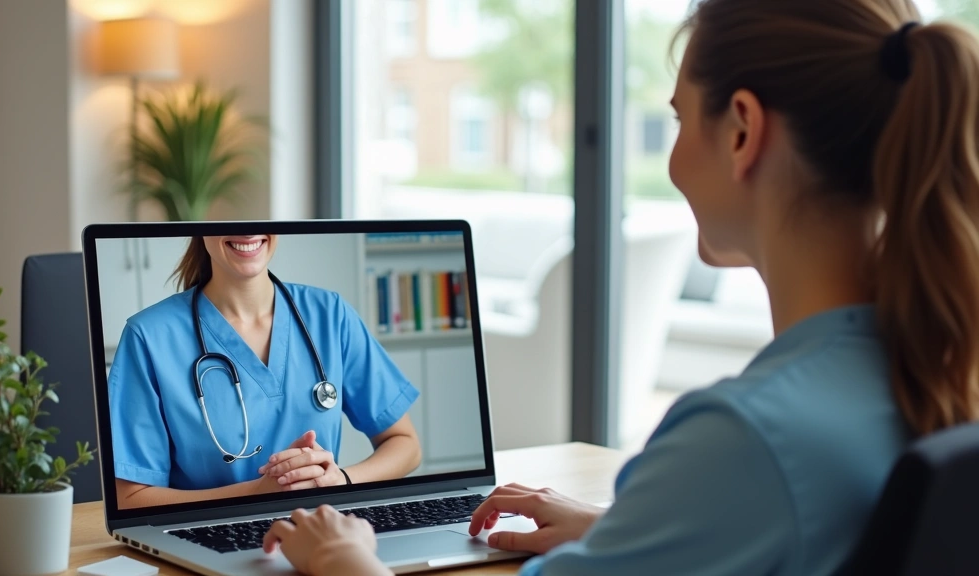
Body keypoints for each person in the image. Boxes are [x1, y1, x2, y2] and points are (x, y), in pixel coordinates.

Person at [259, 0, 979, 573]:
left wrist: (345, 559)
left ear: (741, 132)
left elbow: (764, 486)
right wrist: (626, 531)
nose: (671, 158)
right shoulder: (932, 370)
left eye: (676, 119)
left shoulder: (744, 438)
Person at [108, 235, 422, 509]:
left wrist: (342, 479)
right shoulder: (149, 336)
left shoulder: (329, 314)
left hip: (321, 529)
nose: (247, 230)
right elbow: (130, 497)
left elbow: (405, 443)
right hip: (208, 534)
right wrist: (258, 492)